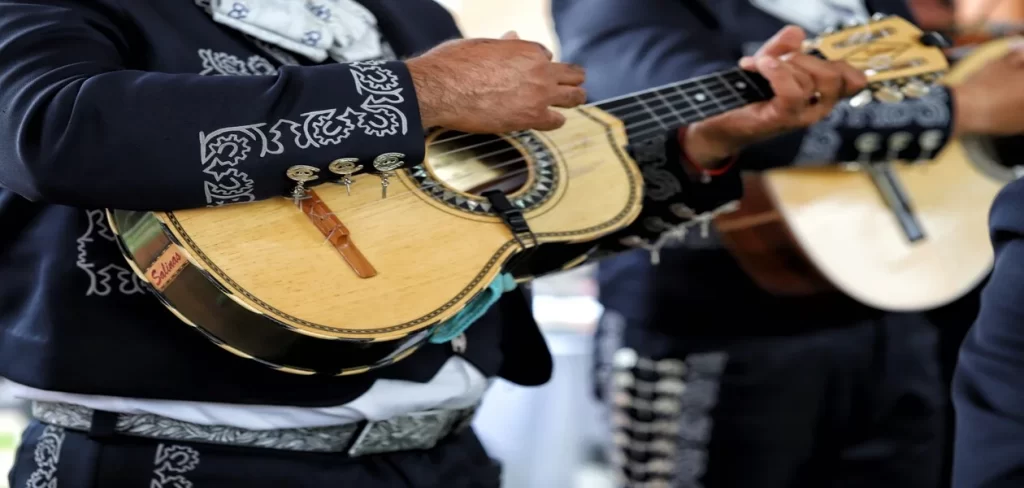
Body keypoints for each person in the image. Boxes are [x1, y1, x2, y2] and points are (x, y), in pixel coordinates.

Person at [0, 1, 877, 486]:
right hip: (178, 464)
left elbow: (493, 238)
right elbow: (49, 131)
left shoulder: (410, 12)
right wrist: (410, 93)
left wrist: (701, 147)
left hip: (446, 456)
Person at [551, 1, 1024, 487]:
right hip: (714, 334)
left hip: (899, 309)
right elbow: (651, 121)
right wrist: (960, 111)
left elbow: (918, 76)